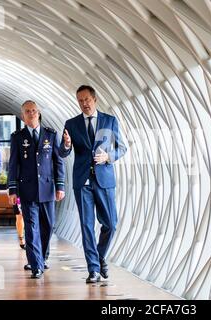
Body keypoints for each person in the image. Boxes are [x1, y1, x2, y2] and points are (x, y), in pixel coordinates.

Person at [60, 85, 127, 283]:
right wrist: (65, 145)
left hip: (104, 180)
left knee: (111, 224)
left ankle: (99, 256)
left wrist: (108, 156)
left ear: (95, 99)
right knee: (87, 226)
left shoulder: (109, 120)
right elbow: (63, 152)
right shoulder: (71, 124)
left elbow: (121, 148)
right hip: (82, 182)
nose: (84, 104)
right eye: (80, 100)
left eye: (87, 99)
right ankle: (94, 269)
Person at [8, 100, 65, 279]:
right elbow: (13, 164)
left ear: (38, 113)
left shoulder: (51, 134)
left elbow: (58, 161)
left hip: (47, 189)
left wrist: (60, 185)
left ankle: (42, 257)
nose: (31, 114)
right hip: (27, 190)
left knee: (48, 226)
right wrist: (12, 189)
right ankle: (36, 265)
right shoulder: (17, 137)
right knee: (31, 227)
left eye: (34, 111)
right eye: (27, 111)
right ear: (22, 116)